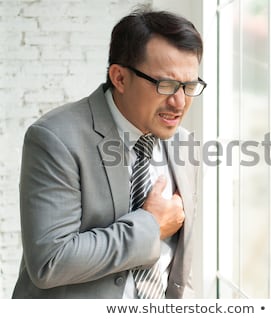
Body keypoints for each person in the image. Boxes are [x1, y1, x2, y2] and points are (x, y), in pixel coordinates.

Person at [12, 7, 205, 299]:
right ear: (120, 78)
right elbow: (50, 262)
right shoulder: (55, 138)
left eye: (189, 86)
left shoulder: (185, 144)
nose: (179, 103)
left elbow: (177, 267)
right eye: (166, 85)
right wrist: (150, 227)